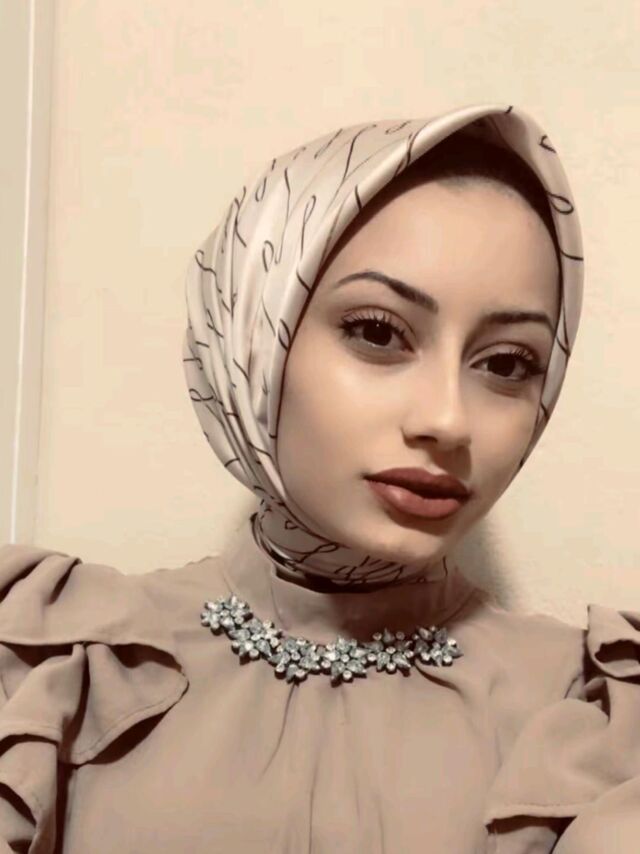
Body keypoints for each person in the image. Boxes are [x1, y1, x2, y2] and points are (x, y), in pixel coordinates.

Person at [0, 103, 637, 853]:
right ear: (252, 342)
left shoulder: (592, 714)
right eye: (377, 332)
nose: (448, 420)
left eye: (507, 363)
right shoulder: (56, 663)